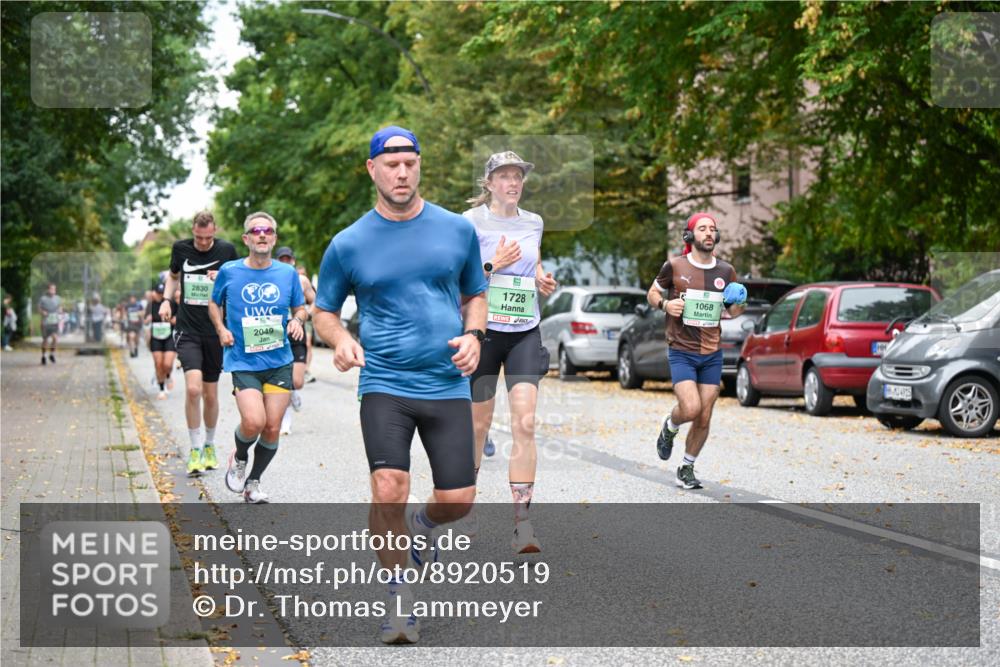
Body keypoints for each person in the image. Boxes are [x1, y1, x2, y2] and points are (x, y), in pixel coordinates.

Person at [313, 126, 488, 644]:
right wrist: (340, 339)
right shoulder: (348, 243)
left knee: (458, 500)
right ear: (373, 170)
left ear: (418, 166)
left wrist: (475, 335)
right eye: (391, 164)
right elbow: (324, 311)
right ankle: (399, 603)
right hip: (385, 382)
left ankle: (424, 526)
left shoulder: (456, 230)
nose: (402, 172)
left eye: (410, 162)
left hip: (447, 382)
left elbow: (475, 293)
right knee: (388, 487)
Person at [463, 151, 558, 553]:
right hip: (483, 331)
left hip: (524, 331)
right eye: (504, 176)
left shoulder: (534, 222)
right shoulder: (468, 223)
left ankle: (523, 523)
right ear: (488, 183)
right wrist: (491, 264)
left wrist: (541, 279)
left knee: (525, 423)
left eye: (517, 176)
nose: (512, 183)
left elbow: (532, 266)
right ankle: (464, 506)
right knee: (477, 426)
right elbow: (458, 277)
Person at [210, 212, 305, 503]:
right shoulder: (230, 271)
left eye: (267, 231)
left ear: (274, 238)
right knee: (253, 421)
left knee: (273, 427)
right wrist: (221, 328)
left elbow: (300, 308)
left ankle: (253, 482)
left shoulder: (287, 274)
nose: (262, 235)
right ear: (246, 238)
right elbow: (214, 304)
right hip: (243, 360)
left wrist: (297, 321)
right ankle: (239, 458)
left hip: (279, 361)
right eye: (256, 230)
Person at [648, 212, 746, 490]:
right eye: (702, 228)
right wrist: (665, 306)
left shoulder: (726, 271)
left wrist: (739, 301)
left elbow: (734, 311)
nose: (708, 233)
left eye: (712, 229)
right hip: (681, 349)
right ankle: (670, 426)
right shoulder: (674, 266)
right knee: (690, 408)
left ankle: (687, 467)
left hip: (712, 351)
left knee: (705, 414)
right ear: (690, 236)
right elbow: (652, 293)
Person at [161, 211, 240, 476]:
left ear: (215, 231)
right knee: (193, 390)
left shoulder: (227, 250)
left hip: (215, 331)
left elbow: (241, 281)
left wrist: (224, 278)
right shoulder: (180, 249)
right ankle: (194, 450)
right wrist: (166, 300)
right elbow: (173, 276)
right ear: (192, 231)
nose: (204, 243)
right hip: (188, 329)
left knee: (210, 393)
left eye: (208, 238)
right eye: (199, 237)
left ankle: (209, 444)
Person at [275, 247, 316, 435]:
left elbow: (317, 302)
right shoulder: (270, 278)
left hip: (296, 333)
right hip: (275, 334)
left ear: (293, 261)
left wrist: (305, 314)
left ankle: (293, 393)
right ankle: (286, 421)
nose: (285, 263)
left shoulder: (301, 280)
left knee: (296, 382)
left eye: (288, 260)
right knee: (284, 381)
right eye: (281, 260)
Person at [146, 283, 177, 399]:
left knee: (167, 364)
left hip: (169, 336)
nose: (160, 296)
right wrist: (147, 319)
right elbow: (144, 319)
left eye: (162, 293)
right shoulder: (151, 305)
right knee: (158, 364)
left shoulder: (171, 303)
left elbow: (180, 316)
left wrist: (175, 319)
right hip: (156, 337)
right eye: (158, 293)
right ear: (154, 293)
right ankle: (162, 389)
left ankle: (168, 375)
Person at [39, 283, 61, 365]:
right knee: (45, 340)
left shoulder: (58, 298)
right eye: (51, 289)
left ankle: (51, 354)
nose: (53, 291)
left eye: (54, 289)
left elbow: (59, 307)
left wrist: (60, 310)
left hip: (54, 322)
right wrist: (42, 312)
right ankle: (44, 356)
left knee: (55, 339)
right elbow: (39, 308)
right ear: (48, 290)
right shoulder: (43, 299)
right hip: (45, 322)